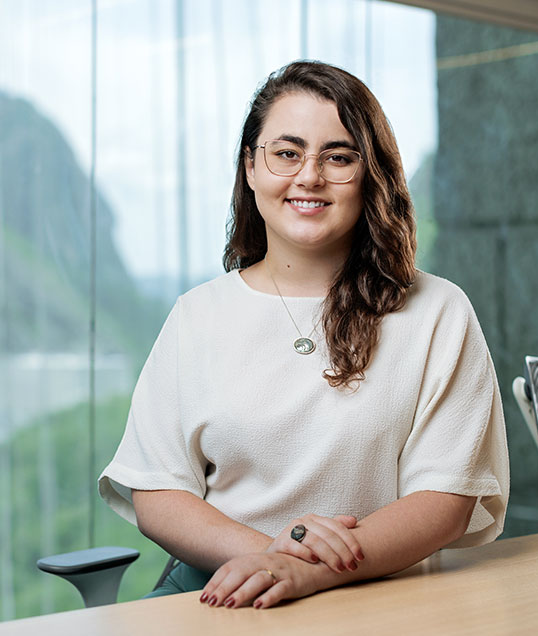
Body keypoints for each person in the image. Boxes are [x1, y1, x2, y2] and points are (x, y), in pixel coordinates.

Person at [99, 60, 509, 610]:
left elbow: (446, 497)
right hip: (220, 591)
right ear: (250, 167)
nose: (309, 176)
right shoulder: (196, 315)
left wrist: (320, 574)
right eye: (286, 153)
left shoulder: (438, 312)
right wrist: (276, 559)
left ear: (371, 175)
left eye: (338, 157)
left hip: (380, 595)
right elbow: (157, 489)